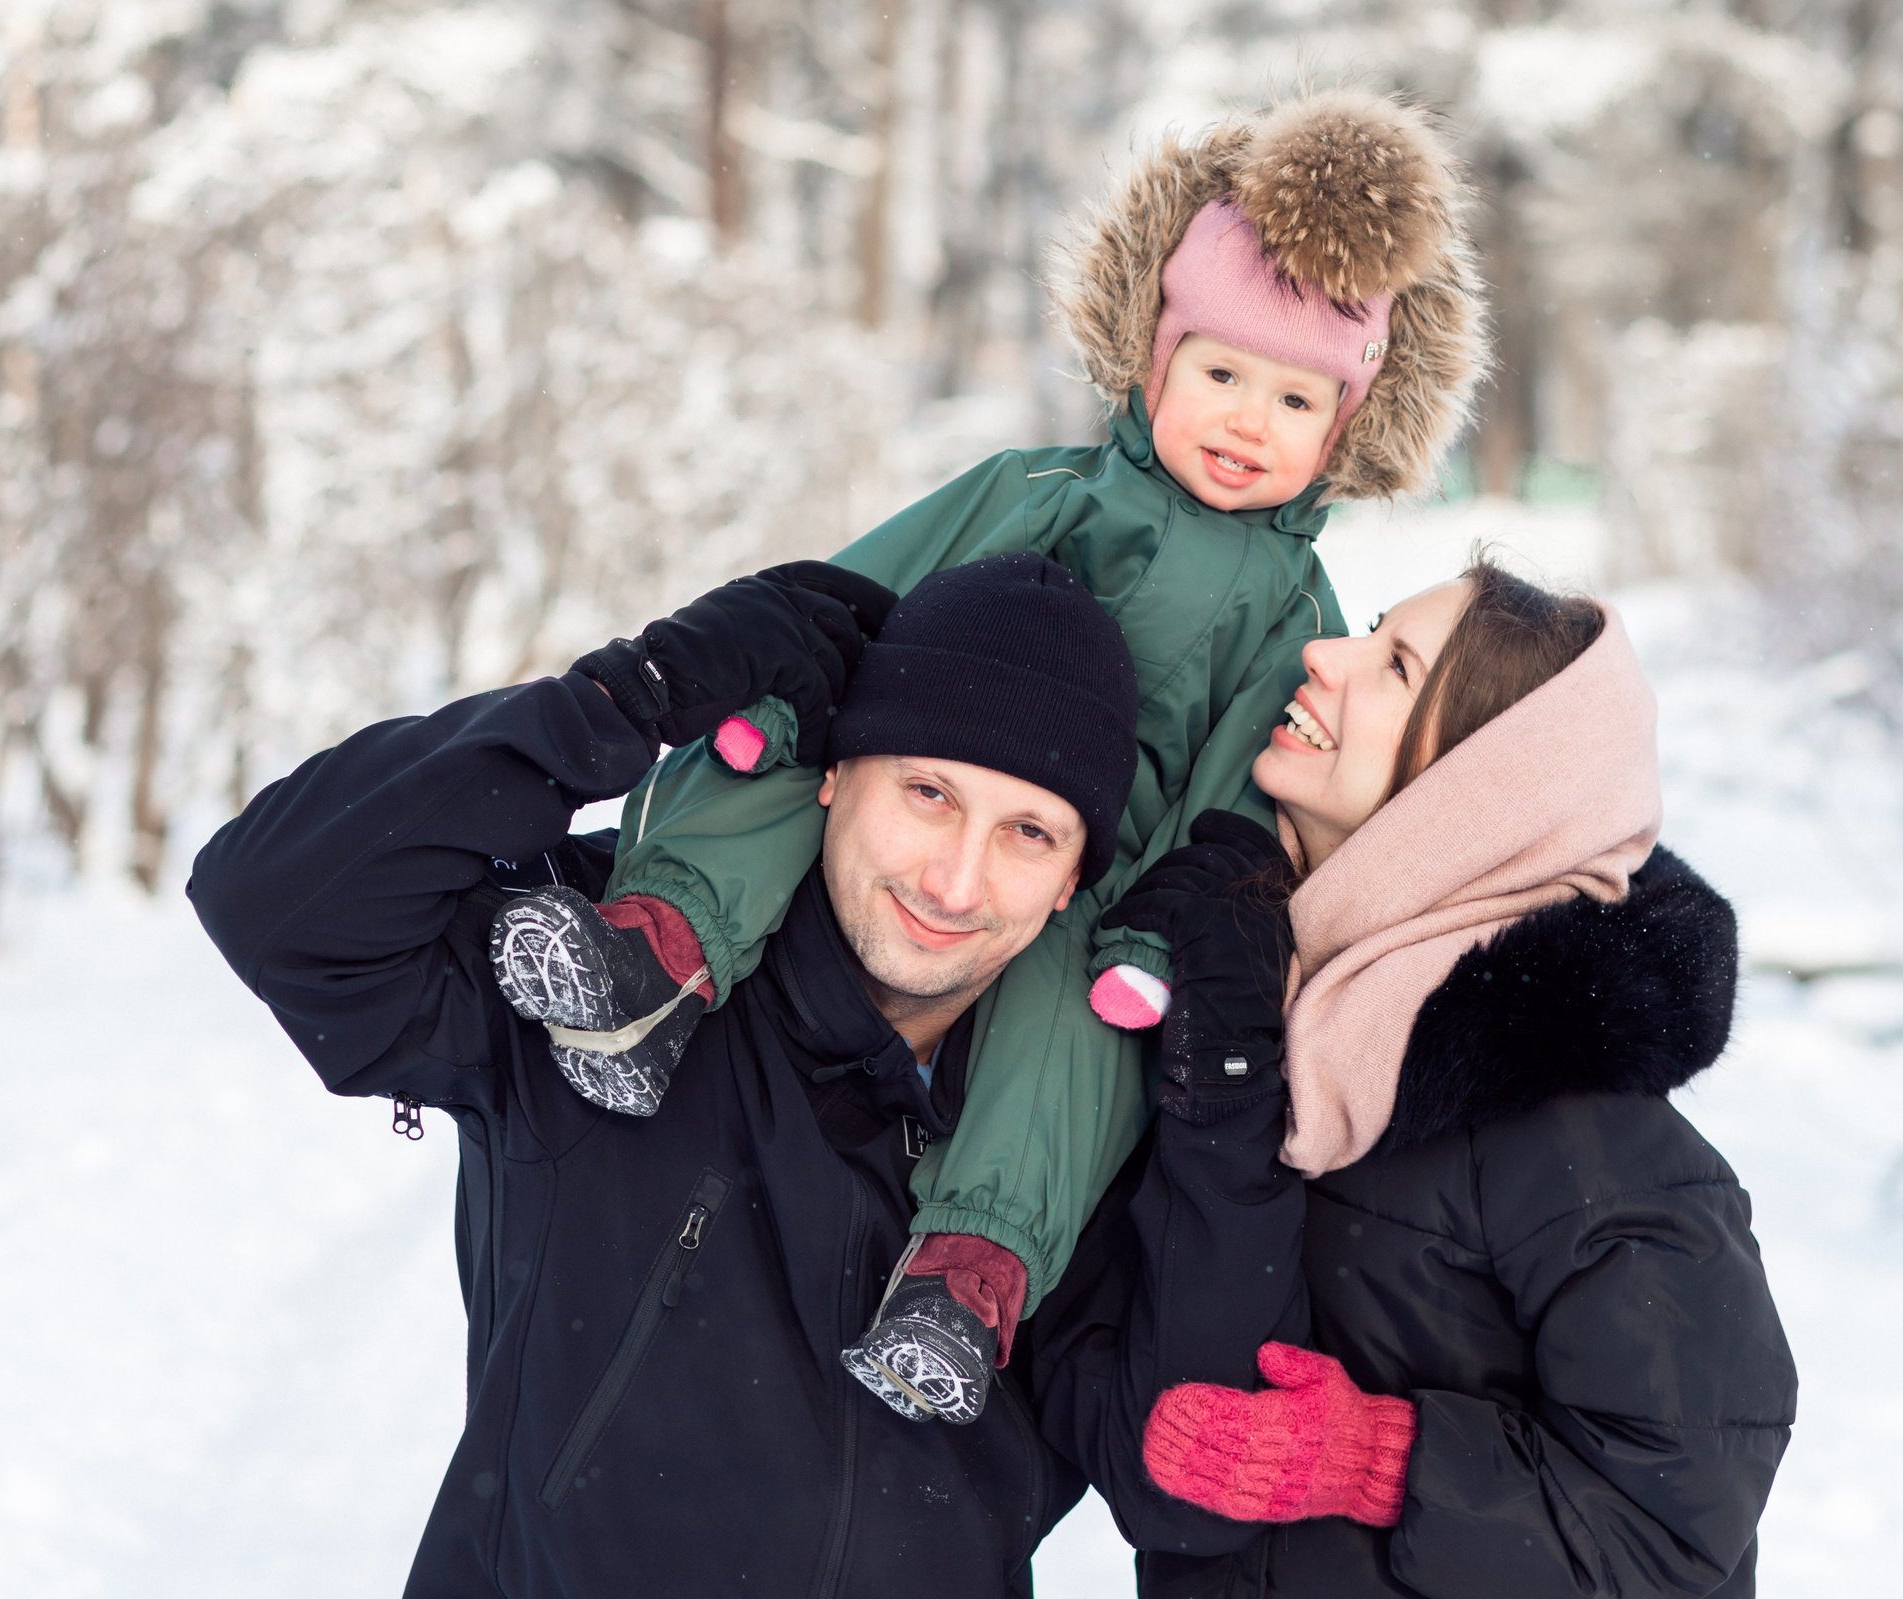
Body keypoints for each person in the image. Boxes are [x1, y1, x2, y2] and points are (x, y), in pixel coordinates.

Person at [482, 88, 1490, 1426]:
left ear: (1345, 429)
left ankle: (970, 1274)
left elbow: (1238, 790)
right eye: (1222, 374)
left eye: (1295, 398)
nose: (1248, 421)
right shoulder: (1034, 494)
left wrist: (1157, 929)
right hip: (928, 759)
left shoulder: (1293, 613)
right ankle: (653, 957)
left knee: (1077, 1039)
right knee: (796, 773)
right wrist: (780, 695)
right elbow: (859, 599)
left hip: (1095, 876)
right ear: (1154, 362)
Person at [187, 555, 1304, 1599]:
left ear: (1076, 880)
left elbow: (1182, 1480)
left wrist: (1225, 1096)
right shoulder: (616, 995)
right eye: (928, 793)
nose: (956, 881)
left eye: (1029, 832)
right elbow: (279, 906)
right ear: (834, 777)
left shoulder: (1073, 1147)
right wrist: (628, 698)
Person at [1121, 558, 1798, 1599]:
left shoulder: (1579, 1127)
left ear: (1473, 786)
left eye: (1392, 666)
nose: (1323, 659)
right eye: (1370, 631)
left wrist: (1378, 1459)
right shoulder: (1262, 1023)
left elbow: (1675, 1499)